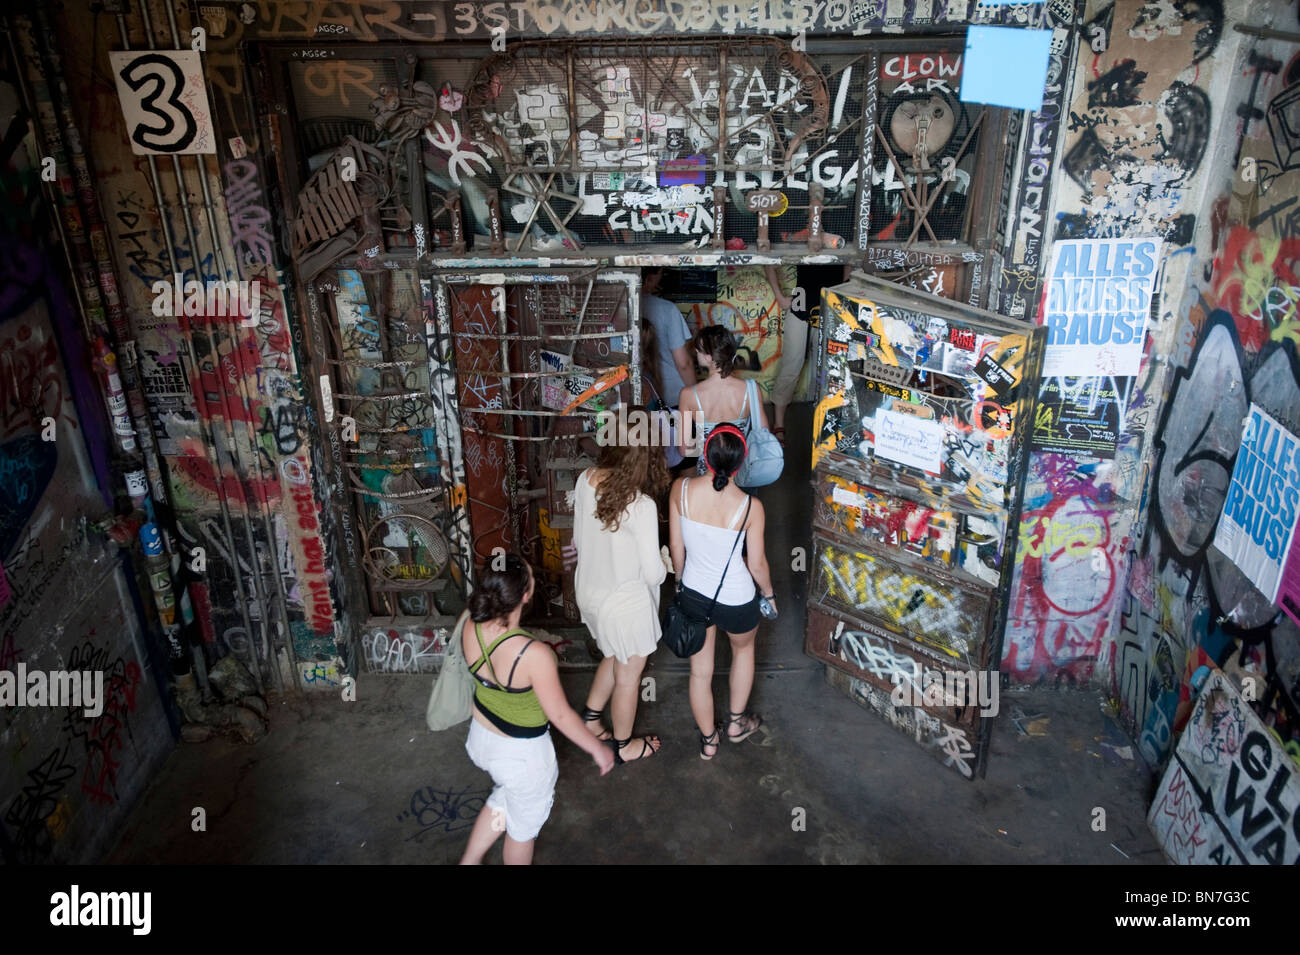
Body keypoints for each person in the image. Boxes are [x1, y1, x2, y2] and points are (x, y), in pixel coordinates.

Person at [459, 554, 614, 865]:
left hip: (481, 738)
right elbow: (560, 715)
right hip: (522, 757)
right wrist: (597, 748)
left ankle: (469, 863)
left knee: (506, 798)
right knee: (522, 832)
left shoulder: (469, 622)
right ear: (526, 596)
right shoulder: (533, 654)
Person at [668, 425, 776, 760]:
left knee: (700, 672)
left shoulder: (680, 489)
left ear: (705, 456)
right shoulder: (750, 507)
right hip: (737, 598)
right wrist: (769, 594)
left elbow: (676, 547)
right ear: (741, 464)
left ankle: (708, 741)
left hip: (695, 594)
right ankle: (735, 724)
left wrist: (681, 583)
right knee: (743, 653)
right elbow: (756, 563)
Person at [571, 435, 671, 763]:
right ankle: (624, 746)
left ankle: (590, 718)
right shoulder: (641, 506)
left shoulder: (586, 480)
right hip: (625, 606)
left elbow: (577, 540)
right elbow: (654, 574)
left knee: (614, 655)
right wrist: (666, 559)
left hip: (590, 593)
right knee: (629, 677)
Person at [766, 263, 850, 444]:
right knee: (792, 365)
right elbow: (769, 260)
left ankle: (820, 425)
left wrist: (843, 296)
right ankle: (779, 423)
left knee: (825, 372)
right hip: (801, 304)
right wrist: (780, 297)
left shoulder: (841, 237)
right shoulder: (802, 234)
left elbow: (849, 264)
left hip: (829, 305)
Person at [677, 325, 771, 474]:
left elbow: (684, 450)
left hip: (707, 473)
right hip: (743, 471)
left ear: (709, 357)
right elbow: (764, 435)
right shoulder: (750, 389)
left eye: (698, 349)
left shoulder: (688, 395)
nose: (695, 352)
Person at [641, 267, 696, 414]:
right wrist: (695, 396)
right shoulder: (668, 309)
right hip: (672, 396)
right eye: (660, 274)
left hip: (639, 395)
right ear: (649, 279)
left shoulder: (621, 307)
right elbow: (683, 363)